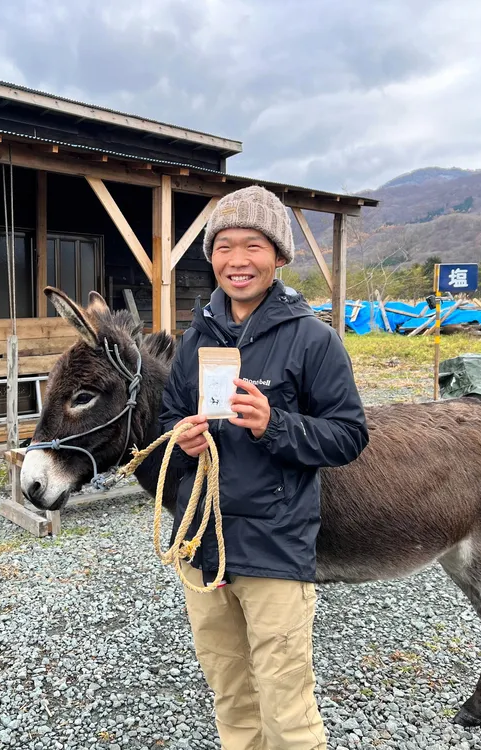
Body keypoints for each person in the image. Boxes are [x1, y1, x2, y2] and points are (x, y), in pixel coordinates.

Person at [159, 185, 369, 749]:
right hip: (202, 543)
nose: (237, 260)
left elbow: (349, 436)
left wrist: (273, 424)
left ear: (277, 256)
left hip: (276, 548)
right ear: (212, 258)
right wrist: (181, 439)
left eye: (252, 245)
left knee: (286, 701)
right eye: (224, 246)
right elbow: (168, 418)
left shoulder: (313, 340)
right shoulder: (196, 339)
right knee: (229, 691)